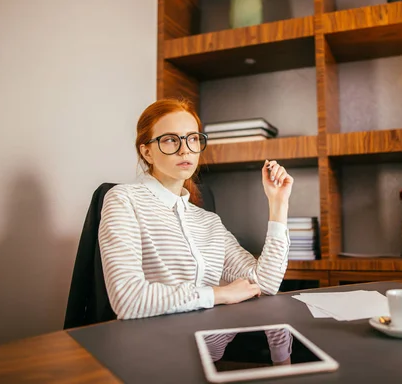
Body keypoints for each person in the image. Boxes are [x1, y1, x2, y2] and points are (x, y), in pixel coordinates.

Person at [98, 98, 293, 320]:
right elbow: (128, 299)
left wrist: (278, 203)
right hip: (154, 346)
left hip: (210, 345)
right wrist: (219, 294)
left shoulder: (208, 221)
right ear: (146, 152)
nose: (185, 150)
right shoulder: (123, 200)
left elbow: (265, 283)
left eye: (192, 139)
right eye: (171, 140)